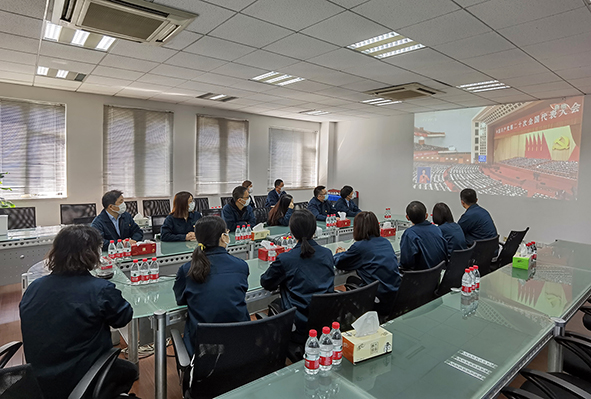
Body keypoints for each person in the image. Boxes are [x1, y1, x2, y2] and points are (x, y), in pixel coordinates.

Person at [20, 225, 137, 399]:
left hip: (38, 381)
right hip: (81, 377)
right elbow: (123, 317)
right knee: (130, 370)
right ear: (92, 254)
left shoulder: (34, 287)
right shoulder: (100, 290)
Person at [173, 216, 250, 355]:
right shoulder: (241, 266)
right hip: (240, 343)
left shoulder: (187, 269)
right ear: (223, 237)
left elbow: (181, 300)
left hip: (203, 348)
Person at [260, 210, 335, 343]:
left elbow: (266, 282)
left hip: (299, 322)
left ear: (292, 232)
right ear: (314, 230)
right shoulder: (327, 253)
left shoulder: (286, 258)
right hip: (325, 319)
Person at [334, 211, 401, 315]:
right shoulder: (385, 242)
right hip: (394, 294)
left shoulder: (360, 247)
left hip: (378, 298)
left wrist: (339, 253)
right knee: (351, 279)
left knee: (350, 282)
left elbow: (339, 262)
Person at [399, 201, 447, 271]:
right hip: (439, 274)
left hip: (419, 277)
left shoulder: (409, 234)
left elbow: (406, 263)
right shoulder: (437, 229)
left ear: (407, 217)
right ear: (426, 215)